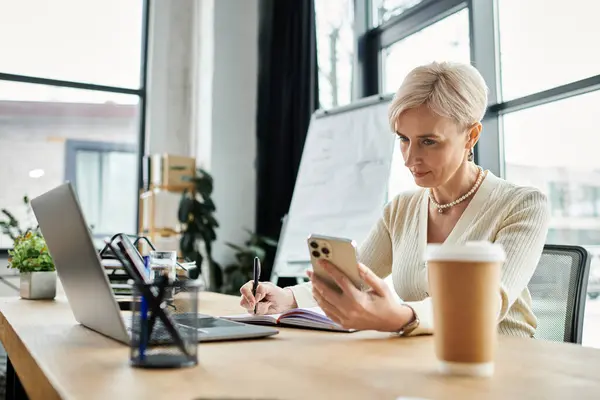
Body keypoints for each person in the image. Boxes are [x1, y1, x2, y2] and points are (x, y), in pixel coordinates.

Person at [239, 61, 550, 338]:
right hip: (426, 361)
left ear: (471, 136)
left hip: (505, 367)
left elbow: (485, 303)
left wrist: (401, 317)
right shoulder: (402, 209)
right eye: (404, 139)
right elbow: (352, 278)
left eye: (429, 141)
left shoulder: (522, 205)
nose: (410, 158)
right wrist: (286, 297)